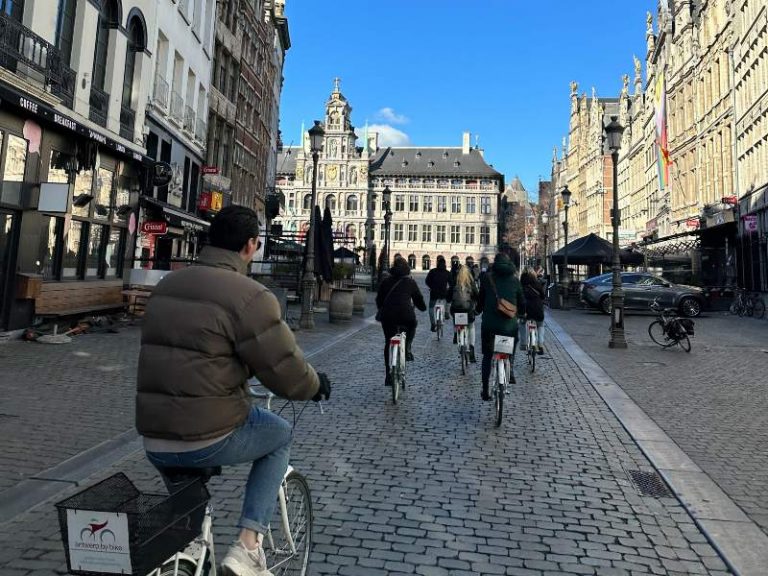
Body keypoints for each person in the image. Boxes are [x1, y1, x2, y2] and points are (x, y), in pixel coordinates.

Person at [136, 206, 331, 576]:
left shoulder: (166, 286)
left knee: (188, 516)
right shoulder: (251, 295)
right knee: (279, 434)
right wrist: (315, 384)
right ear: (251, 246)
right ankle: (248, 546)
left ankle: (188, 548)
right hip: (205, 434)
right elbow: (284, 370)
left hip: (153, 435)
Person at [476, 253, 526, 401]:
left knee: (487, 356)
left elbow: (480, 300)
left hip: (489, 326)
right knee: (512, 343)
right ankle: (510, 369)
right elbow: (522, 302)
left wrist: (477, 311)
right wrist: (522, 313)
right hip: (508, 327)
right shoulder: (515, 280)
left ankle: (485, 390)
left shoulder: (487, 278)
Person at [376, 256, 427, 386]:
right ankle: (408, 347)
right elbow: (418, 300)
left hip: (388, 317)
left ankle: (388, 373)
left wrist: (383, 308)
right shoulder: (410, 282)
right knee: (413, 324)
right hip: (406, 316)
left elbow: (379, 300)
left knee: (388, 341)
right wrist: (423, 307)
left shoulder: (386, 281)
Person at [447, 263, 479, 362]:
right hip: (468, 310)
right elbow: (477, 295)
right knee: (471, 326)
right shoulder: (471, 282)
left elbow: (448, 297)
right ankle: (472, 347)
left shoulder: (454, 282)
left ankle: (456, 333)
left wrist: (450, 300)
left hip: (456, 310)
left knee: (455, 318)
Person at [521, 267, 546, 354]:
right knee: (540, 325)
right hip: (537, 309)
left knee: (522, 323)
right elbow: (543, 296)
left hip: (526, 310)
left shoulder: (521, 285)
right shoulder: (537, 284)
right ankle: (540, 344)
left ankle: (523, 343)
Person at [425, 255, 451, 331]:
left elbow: (427, 281)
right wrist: (448, 288)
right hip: (444, 293)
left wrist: (431, 287)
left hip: (434, 293)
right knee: (448, 300)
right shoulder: (447, 273)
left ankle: (433, 324)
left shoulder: (432, 271)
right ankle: (446, 312)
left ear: (437, 263)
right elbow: (452, 283)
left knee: (431, 308)